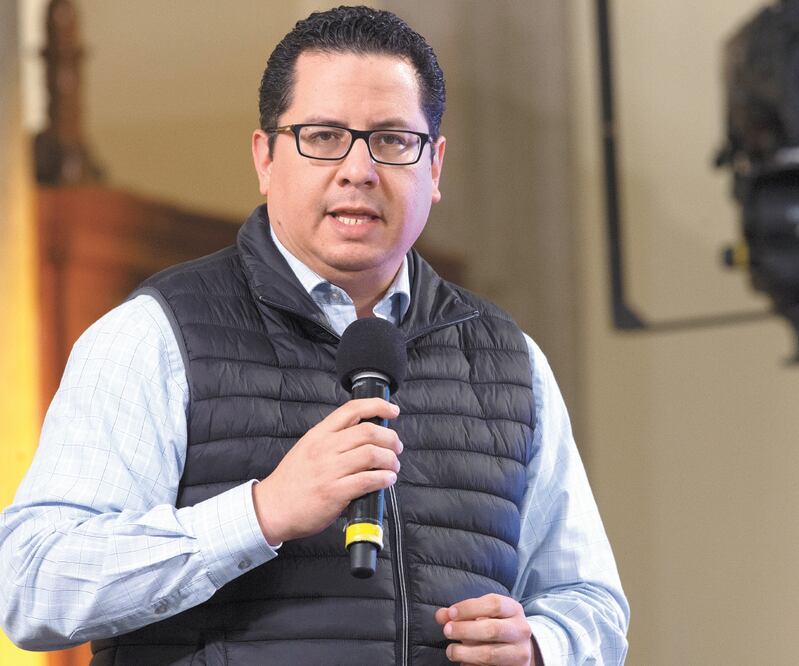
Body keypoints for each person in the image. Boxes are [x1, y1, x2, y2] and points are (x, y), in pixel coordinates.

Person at [0, 6, 629, 665]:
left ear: (435, 166)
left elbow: (590, 602)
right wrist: (262, 512)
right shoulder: (153, 337)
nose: (358, 169)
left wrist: (540, 645)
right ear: (265, 158)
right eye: (324, 136)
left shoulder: (507, 358)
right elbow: (35, 586)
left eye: (392, 140)